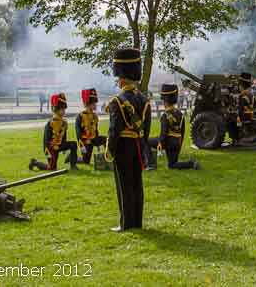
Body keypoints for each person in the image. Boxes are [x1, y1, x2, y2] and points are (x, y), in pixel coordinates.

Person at [106, 47, 151, 231]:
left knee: (124, 185)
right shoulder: (144, 100)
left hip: (123, 146)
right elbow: (146, 130)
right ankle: (137, 222)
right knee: (136, 184)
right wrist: (142, 146)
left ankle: (126, 223)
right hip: (137, 145)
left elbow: (114, 130)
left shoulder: (117, 101)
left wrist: (110, 149)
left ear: (122, 77)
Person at [147, 84, 199, 169]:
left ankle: (151, 164)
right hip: (176, 143)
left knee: (146, 141)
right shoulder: (180, 114)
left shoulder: (165, 115)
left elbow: (163, 134)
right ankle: (191, 164)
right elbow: (182, 132)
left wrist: (160, 145)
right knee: (172, 165)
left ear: (165, 102)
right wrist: (179, 145)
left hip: (167, 142)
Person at [29, 93, 78, 171]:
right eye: (62, 109)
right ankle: (35, 162)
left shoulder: (64, 122)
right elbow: (46, 140)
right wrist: (49, 150)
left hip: (59, 145)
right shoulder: (50, 123)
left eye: (64, 109)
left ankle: (73, 166)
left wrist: (64, 146)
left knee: (73, 144)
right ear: (56, 110)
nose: (64, 111)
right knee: (52, 168)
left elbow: (63, 136)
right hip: (50, 148)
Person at [76, 88, 107, 165]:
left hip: (93, 138)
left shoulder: (94, 116)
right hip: (85, 141)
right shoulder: (80, 116)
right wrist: (82, 146)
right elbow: (78, 133)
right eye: (93, 103)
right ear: (87, 104)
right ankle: (72, 157)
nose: (95, 105)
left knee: (106, 139)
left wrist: (98, 143)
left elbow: (96, 130)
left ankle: (107, 157)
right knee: (86, 161)